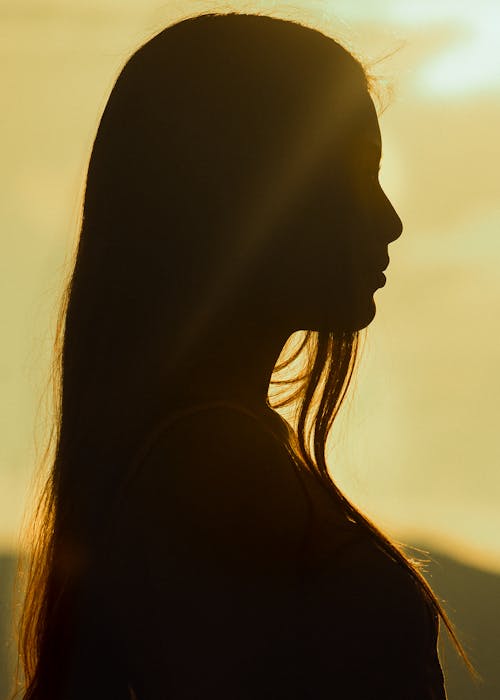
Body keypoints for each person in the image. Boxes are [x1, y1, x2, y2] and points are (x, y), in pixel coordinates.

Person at [17, 11, 471, 699]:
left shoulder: (212, 453)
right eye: (356, 175)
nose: (390, 218)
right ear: (246, 194)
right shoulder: (218, 470)